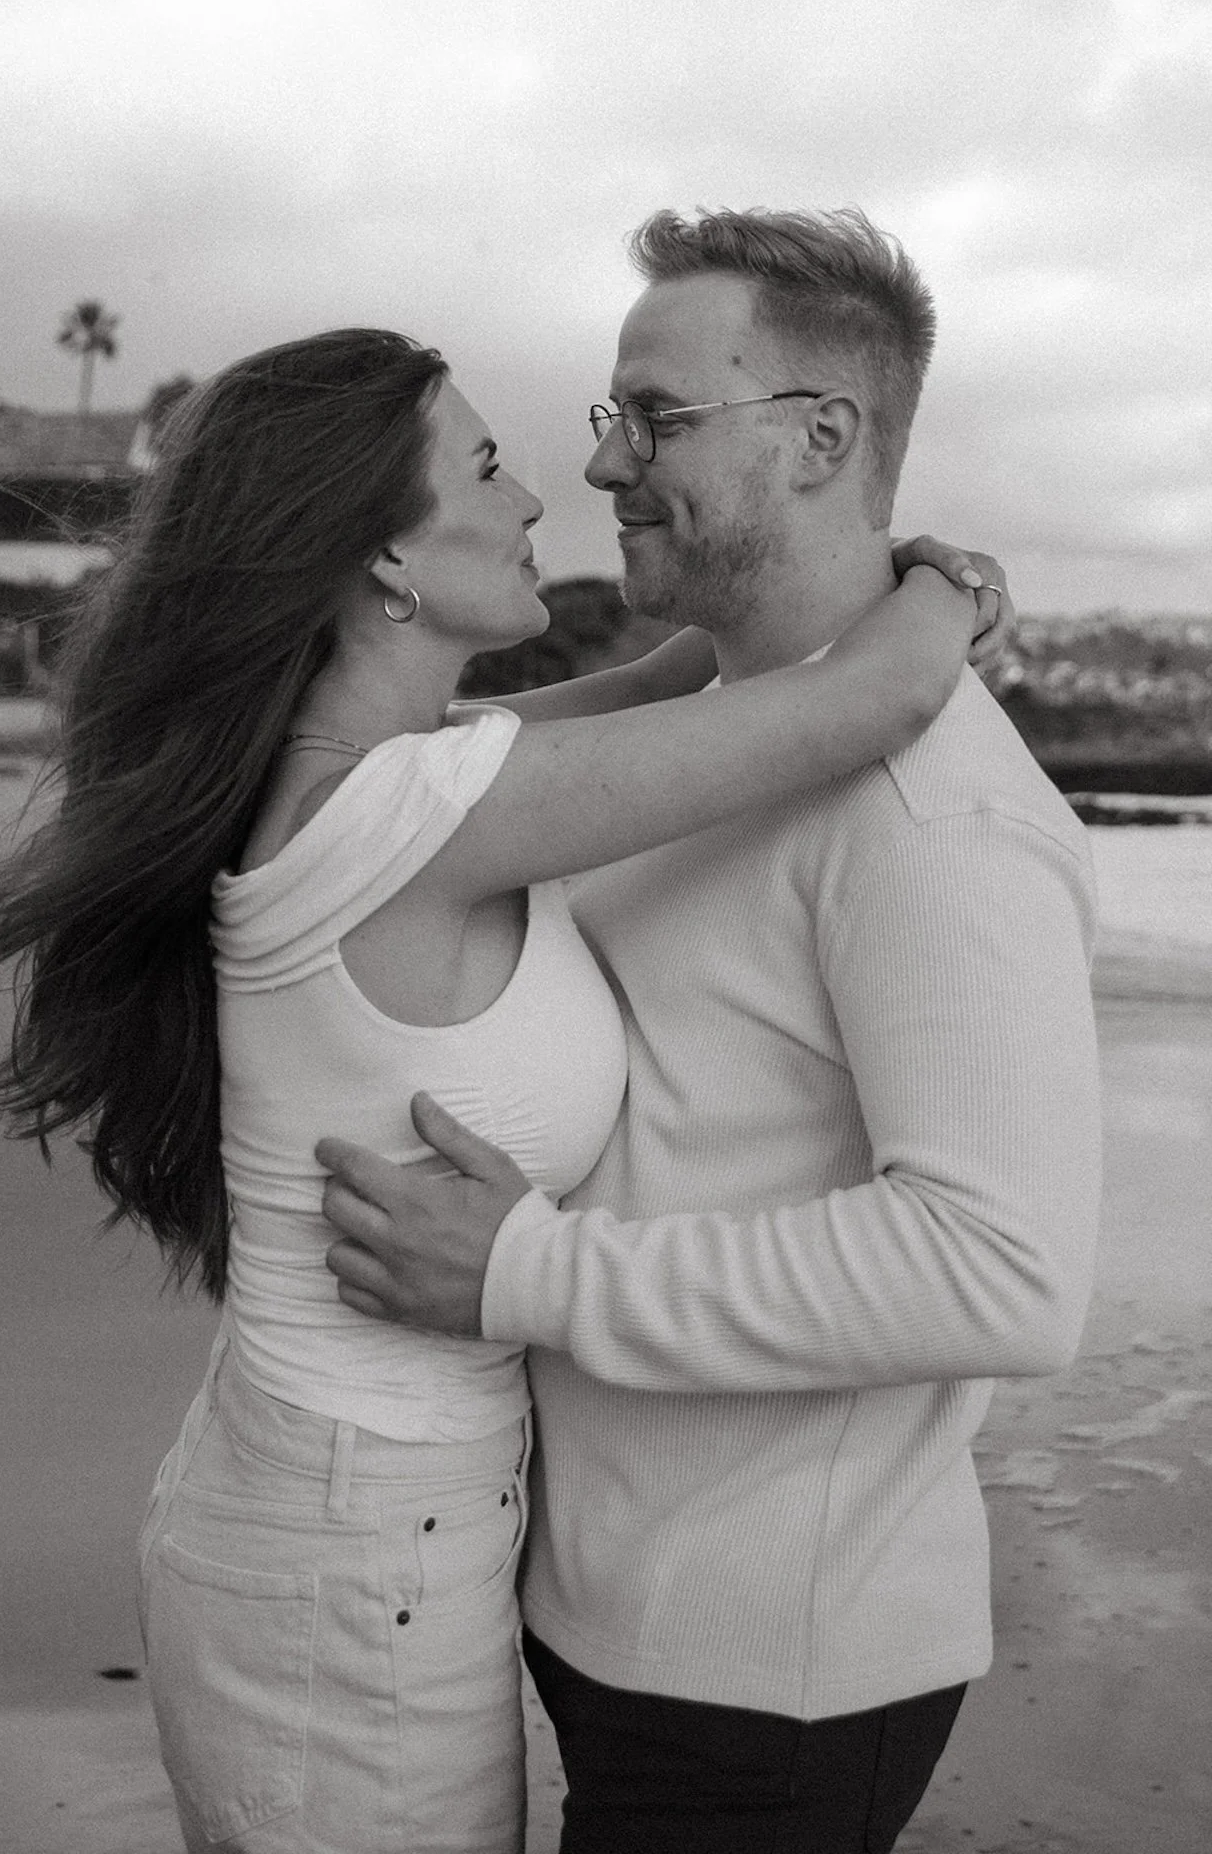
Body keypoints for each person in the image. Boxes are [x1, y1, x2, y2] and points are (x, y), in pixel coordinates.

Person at [0, 323, 1003, 1854]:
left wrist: (841, 550)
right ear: (378, 553)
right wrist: (954, 587)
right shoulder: (414, 809)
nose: (538, 501)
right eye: (490, 467)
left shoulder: (394, 768)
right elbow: (867, 707)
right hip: (344, 1547)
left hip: (356, 1520)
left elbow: (678, 674)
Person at [320, 210, 1103, 1854]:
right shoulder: (708, 736)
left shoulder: (934, 812)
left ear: (823, 438)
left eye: (654, 418)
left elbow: (1001, 1269)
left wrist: (524, 1271)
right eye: (612, 418)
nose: (603, 465)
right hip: (607, 1610)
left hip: (777, 1670)